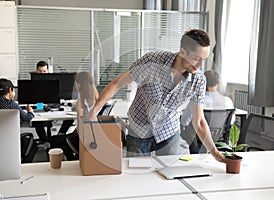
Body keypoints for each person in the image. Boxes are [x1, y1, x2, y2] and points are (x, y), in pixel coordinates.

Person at [88, 29, 225, 163]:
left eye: (204, 60)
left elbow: (199, 121)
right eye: (196, 59)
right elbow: (117, 84)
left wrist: (214, 152)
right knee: (137, 174)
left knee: (169, 177)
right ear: (182, 52)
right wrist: (94, 111)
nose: (200, 65)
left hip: (169, 130)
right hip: (140, 128)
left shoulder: (198, 79)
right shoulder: (152, 61)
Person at [181, 70, 234, 153]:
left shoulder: (196, 102)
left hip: (198, 139)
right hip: (220, 139)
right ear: (218, 82)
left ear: (202, 83)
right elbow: (231, 122)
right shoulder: (228, 101)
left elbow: (184, 121)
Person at [35, 60, 75, 136]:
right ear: (36, 71)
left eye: (44, 71)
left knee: (70, 118)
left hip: (56, 103)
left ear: (48, 71)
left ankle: (60, 134)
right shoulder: (33, 82)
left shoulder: (54, 80)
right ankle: (44, 140)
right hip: (40, 104)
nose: (42, 74)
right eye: (40, 72)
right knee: (36, 121)